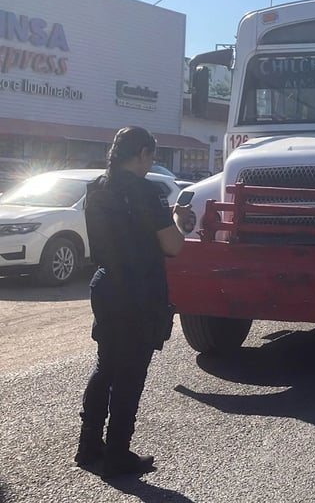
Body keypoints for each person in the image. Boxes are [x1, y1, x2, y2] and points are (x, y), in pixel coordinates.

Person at [74, 127, 191, 478]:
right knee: (130, 375)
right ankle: (118, 455)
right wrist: (177, 223)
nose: (150, 163)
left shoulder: (97, 189)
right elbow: (173, 245)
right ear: (141, 153)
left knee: (106, 366)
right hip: (139, 291)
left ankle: (88, 445)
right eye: (151, 156)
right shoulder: (144, 190)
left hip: (107, 285)